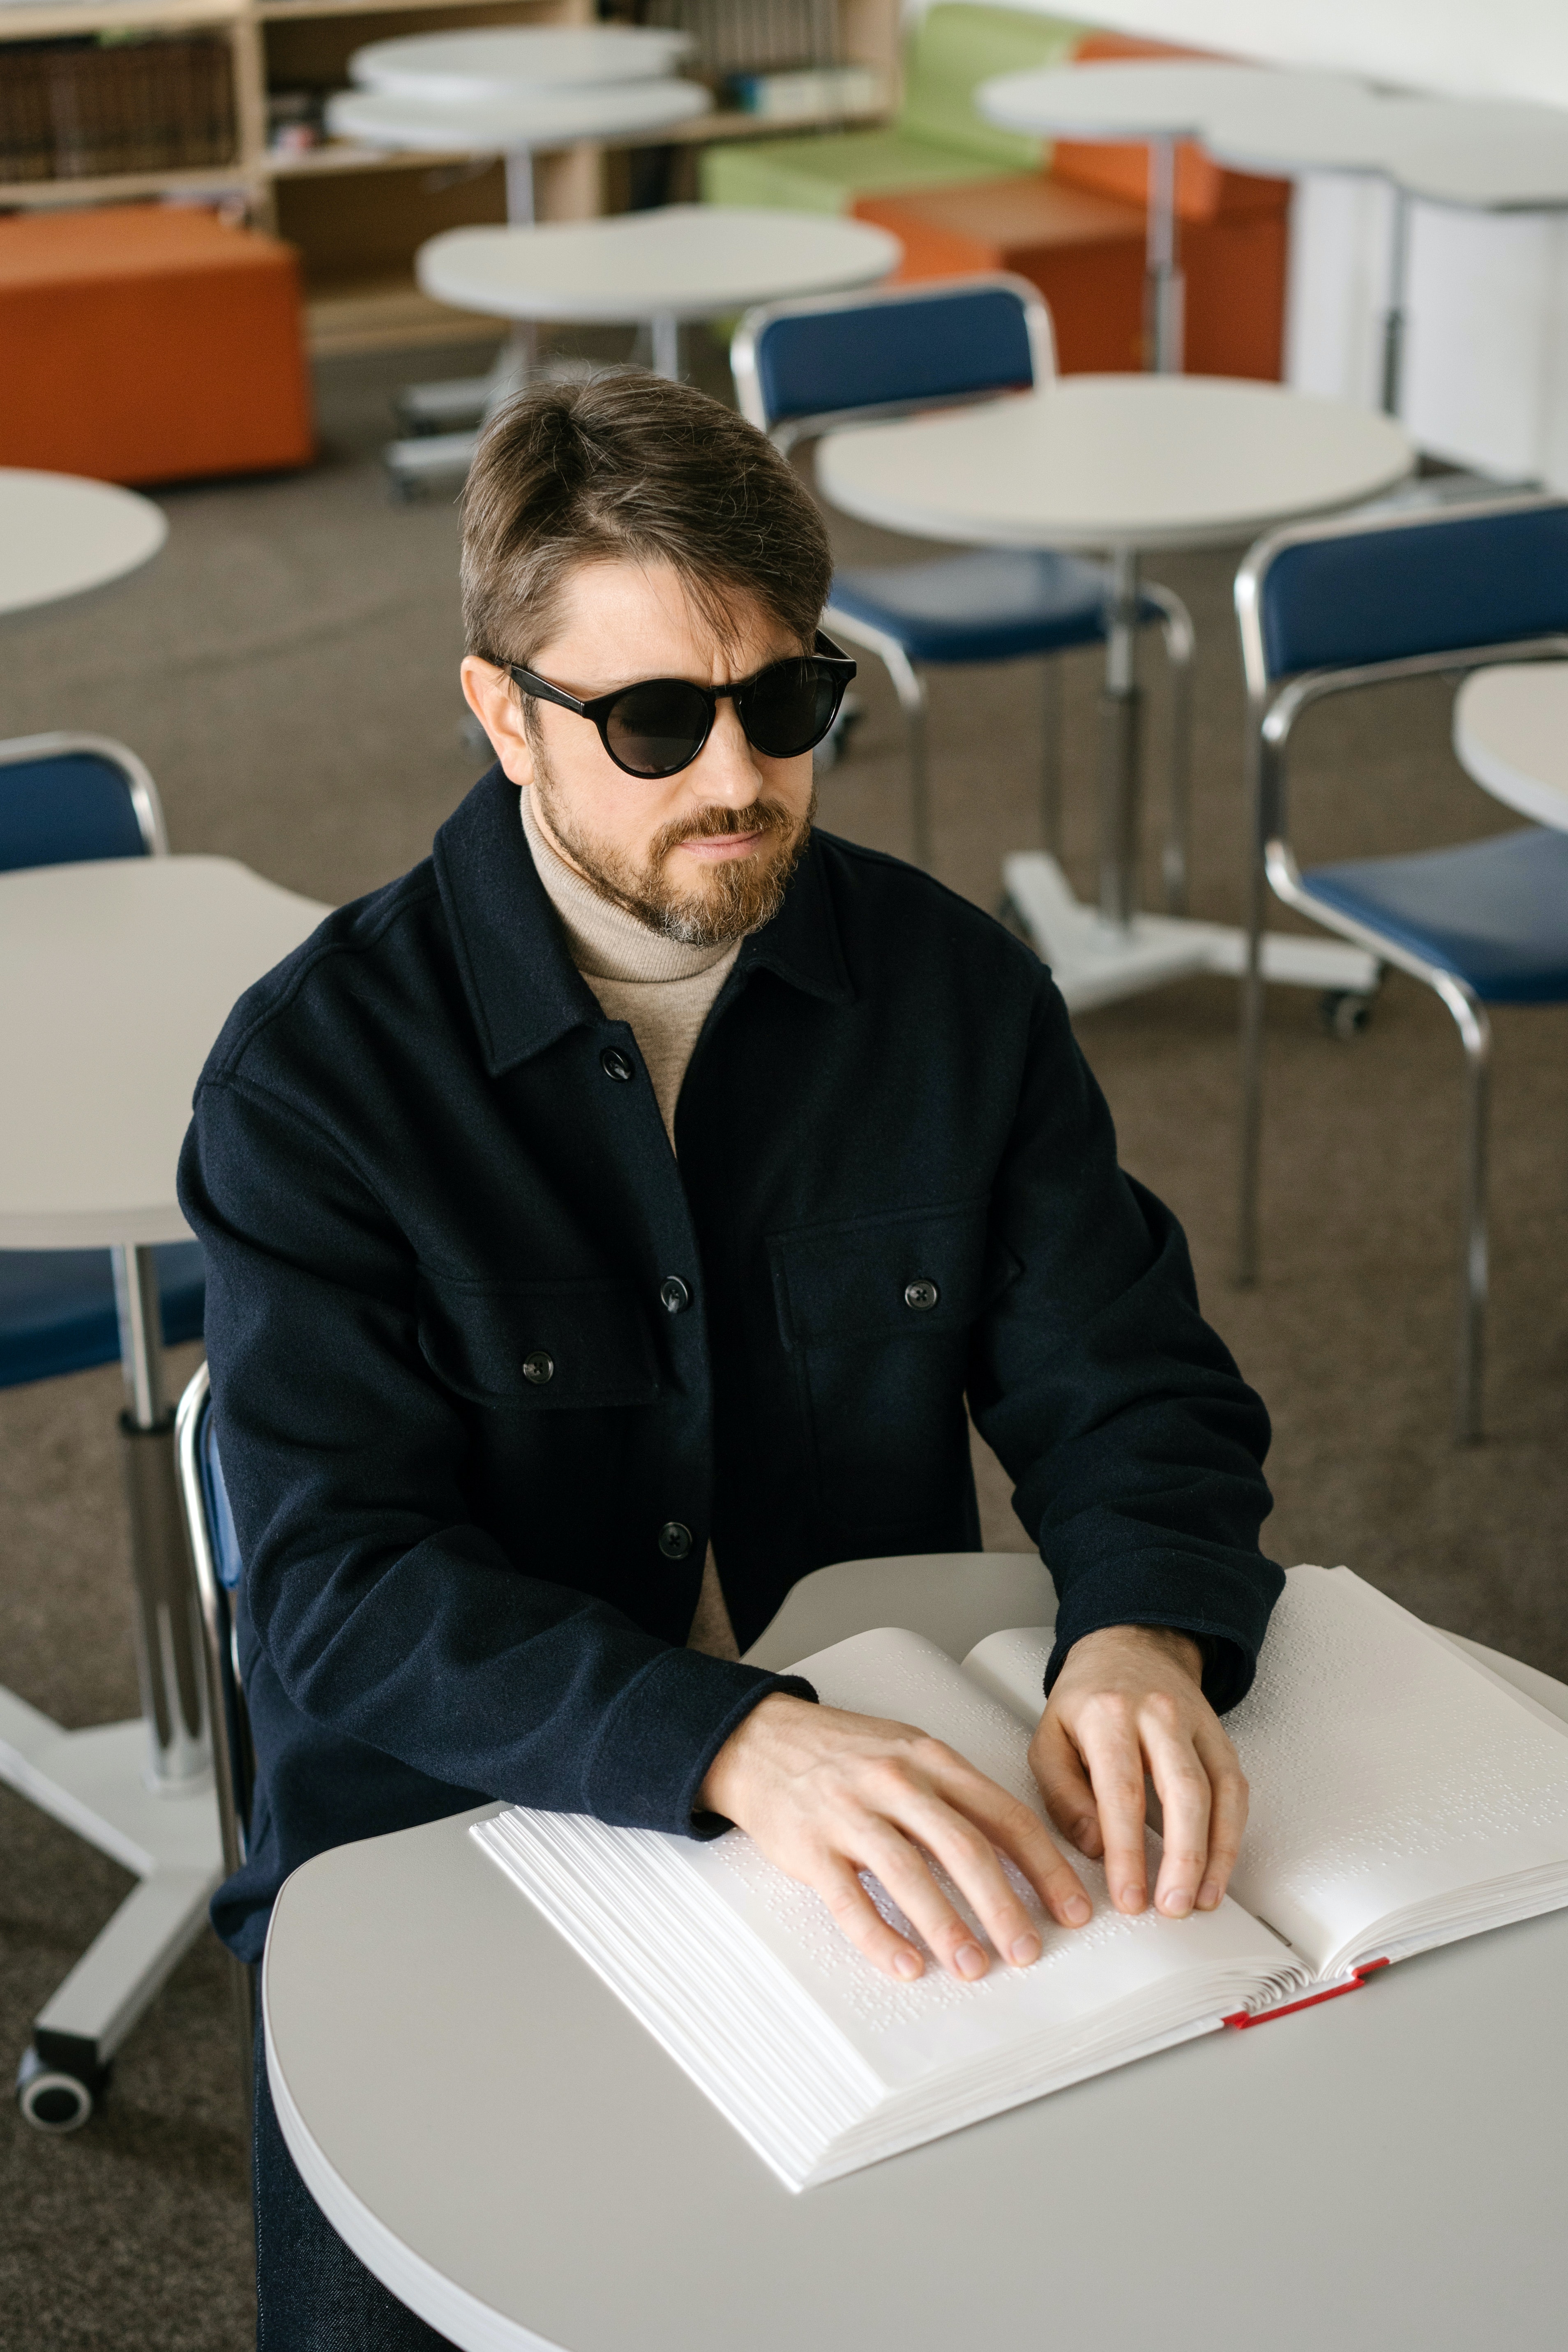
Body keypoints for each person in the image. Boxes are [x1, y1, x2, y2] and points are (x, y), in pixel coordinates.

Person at [179, 372, 1283, 2347]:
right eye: (655, 720)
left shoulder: (954, 994)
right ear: (502, 714)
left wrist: (1142, 1632)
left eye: (789, 704)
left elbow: (1135, 1389)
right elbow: (339, 1594)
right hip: (461, 1838)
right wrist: (732, 1738)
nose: (740, 776)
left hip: (879, 1828)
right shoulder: (317, 1081)